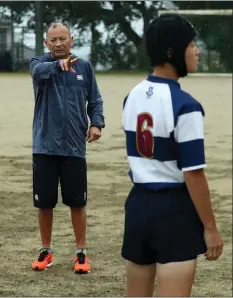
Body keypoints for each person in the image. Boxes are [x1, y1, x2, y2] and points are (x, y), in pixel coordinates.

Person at [121, 14, 224, 297]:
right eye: (191, 44)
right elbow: (193, 173)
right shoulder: (186, 106)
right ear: (171, 51)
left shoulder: (132, 96)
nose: (196, 50)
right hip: (173, 210)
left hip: (138, 206)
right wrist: (210, 228)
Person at [29, 22, 105, 274]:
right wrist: (57, 65)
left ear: (71, 39)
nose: (58, 43)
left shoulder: (84, 68)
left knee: (77, 202)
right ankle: (46, 250)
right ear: (46, 43)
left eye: (63, 39)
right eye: (53, 40)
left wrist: (96, 123)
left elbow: (95, 99)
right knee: (44, 203)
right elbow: (40, 71)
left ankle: (81, 252)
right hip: (45, 147)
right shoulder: (38, 64)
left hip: (74, 147)